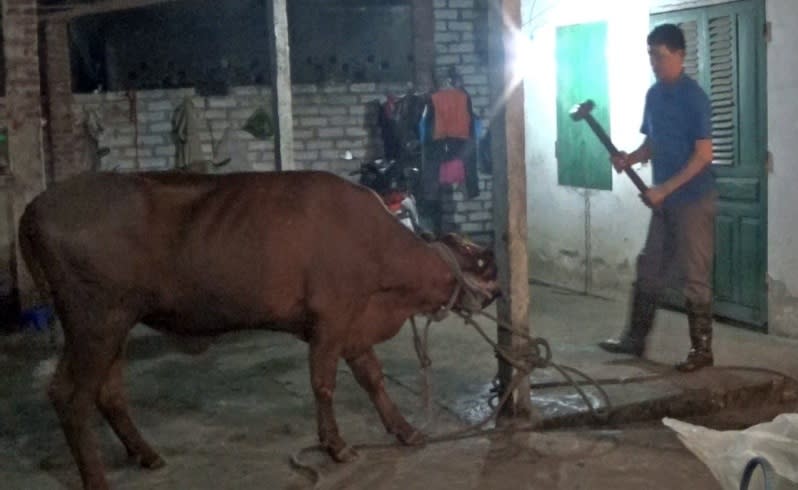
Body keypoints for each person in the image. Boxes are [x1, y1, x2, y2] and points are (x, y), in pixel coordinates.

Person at [598, 23, 717, 372]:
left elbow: (703, 155)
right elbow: (653, 142)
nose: (655, 63)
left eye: (661, 56)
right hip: (664, 201)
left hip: (693, 199)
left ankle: (702, 351)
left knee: (694, 275)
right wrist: (630, 159)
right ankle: (635, 339)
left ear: (680, 55)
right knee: (649, 268)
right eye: (651, 55)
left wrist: (663, 189)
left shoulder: (695, 98)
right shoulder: (653, 95)